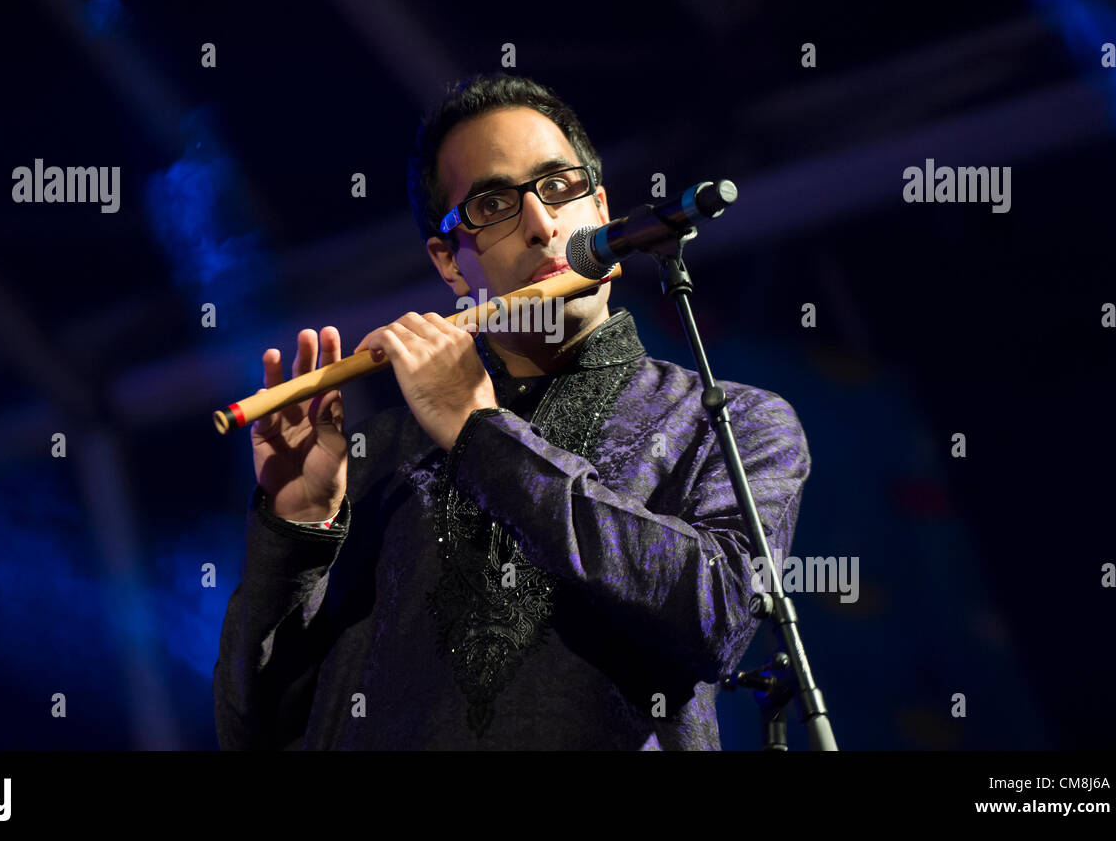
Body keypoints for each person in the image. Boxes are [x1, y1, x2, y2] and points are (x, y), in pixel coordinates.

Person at [213, 74, 811, 749]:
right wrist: (297, 530)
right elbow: (251, 728)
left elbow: (716, 616)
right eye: (494, 204)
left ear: (602, 209)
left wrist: (481, 435)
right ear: (450, 263)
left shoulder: (729, 421)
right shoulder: (375, 454)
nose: (541, 223)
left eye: (561, 186)